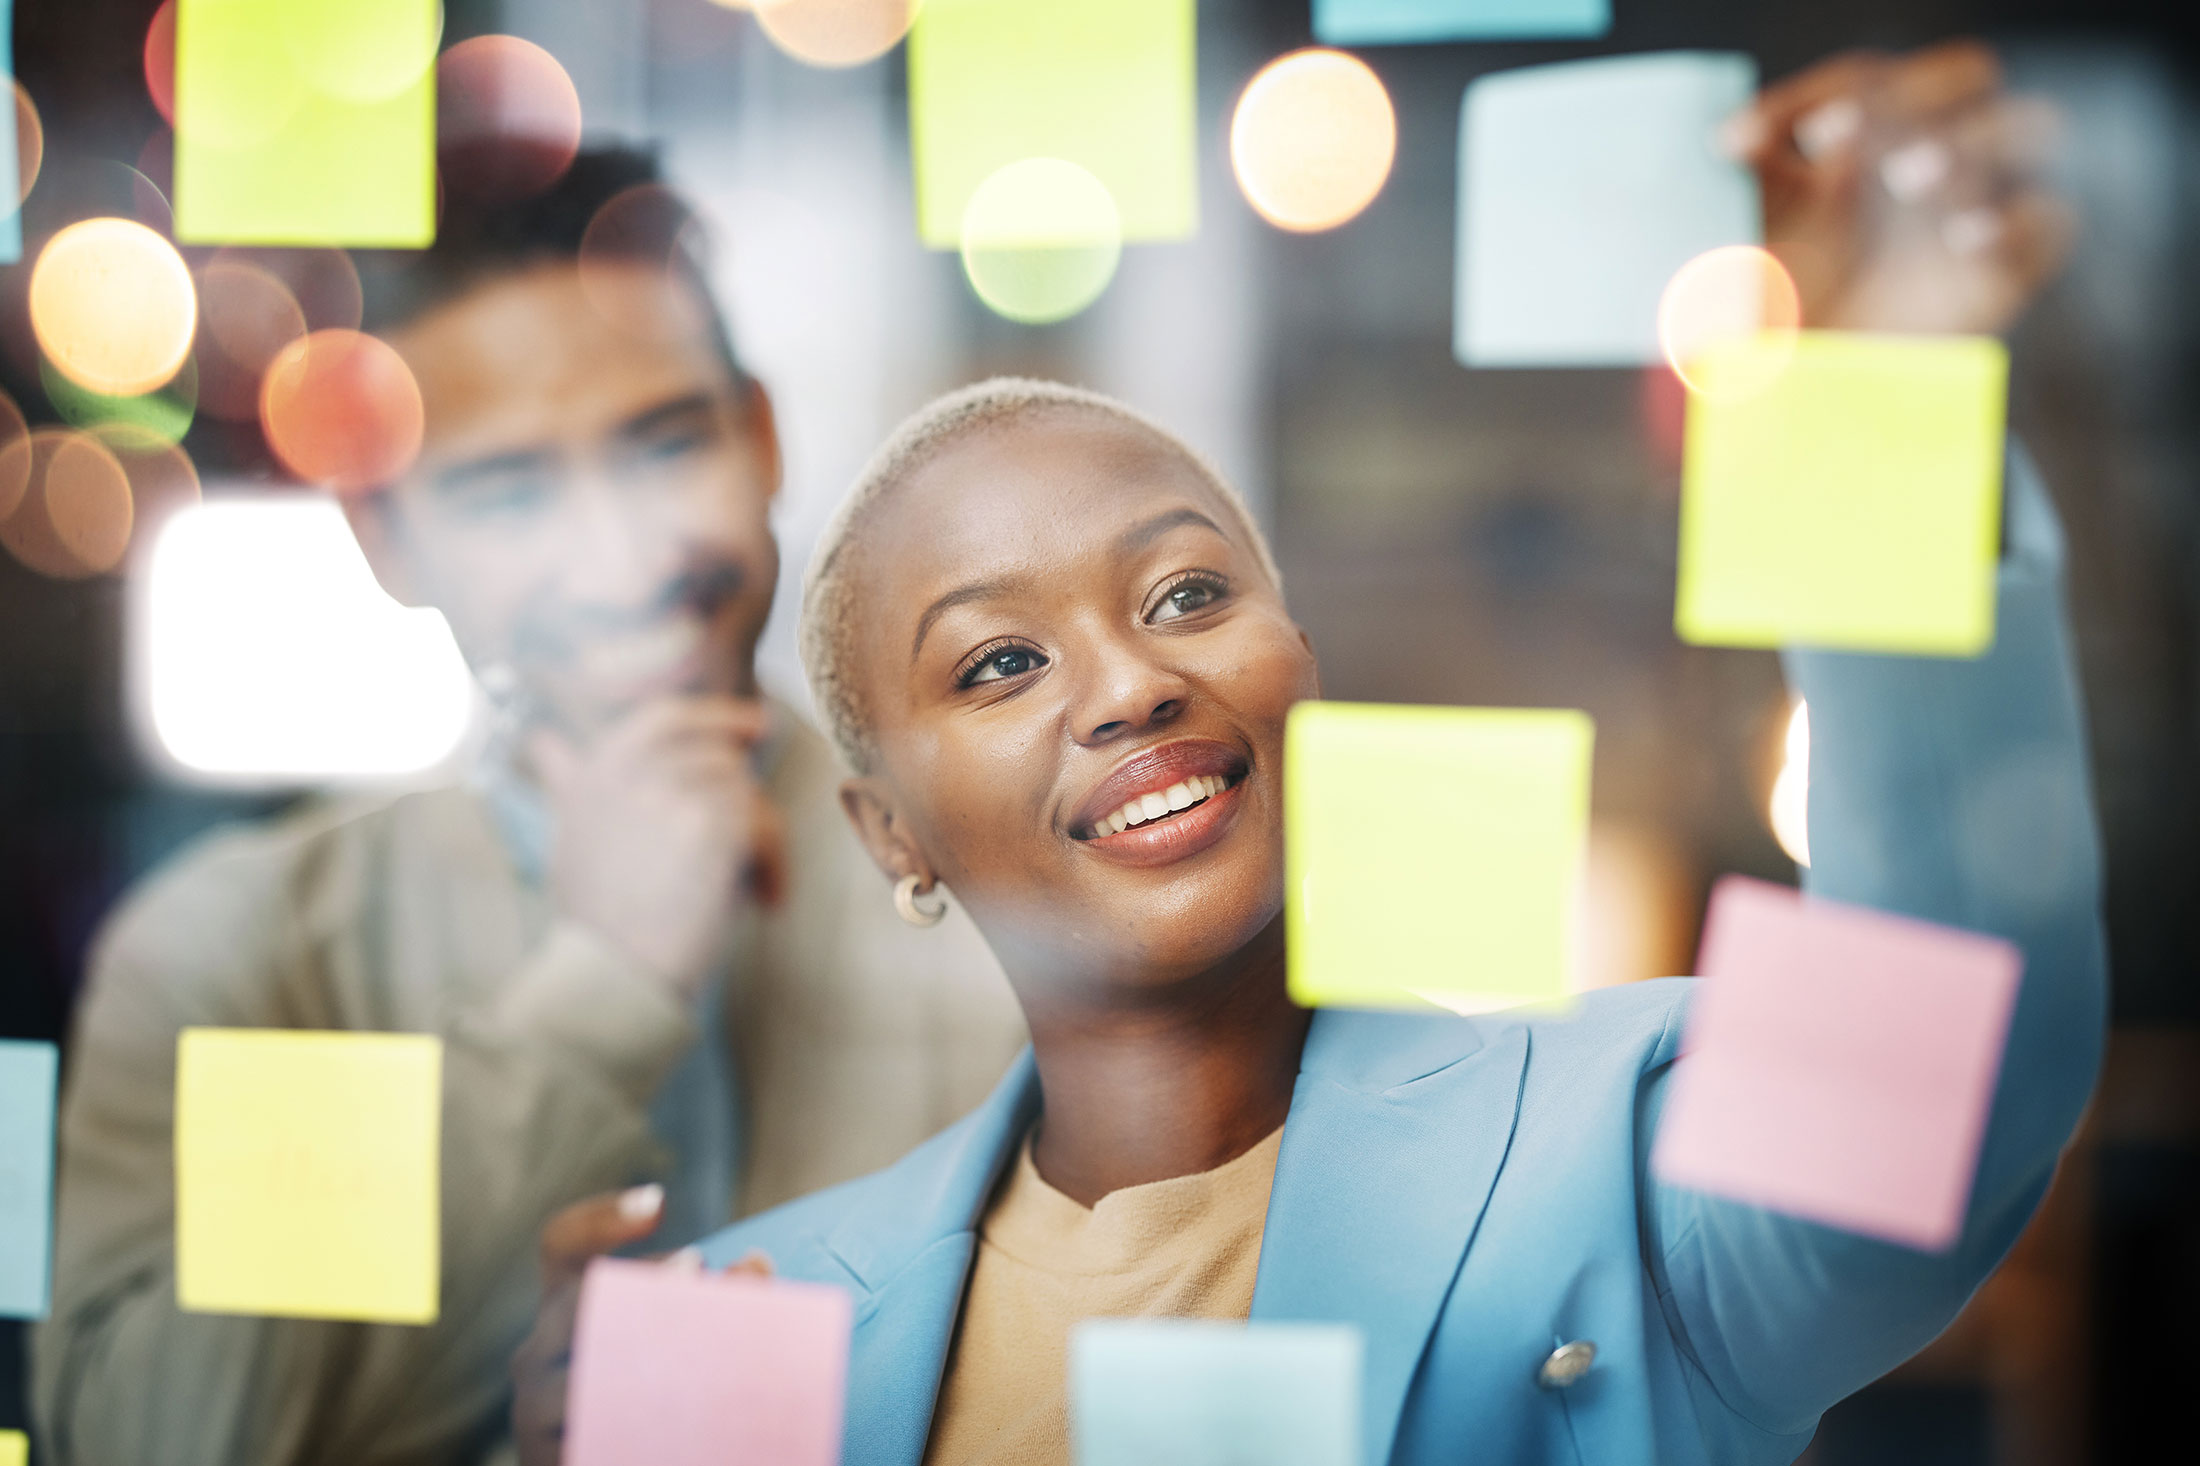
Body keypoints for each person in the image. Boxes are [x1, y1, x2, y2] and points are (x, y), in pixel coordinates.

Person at [510, 43, 2100, 1466]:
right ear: (891, 833)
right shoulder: (765, 1317)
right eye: (1001, 661)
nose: (1132, 682)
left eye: (1189, 592)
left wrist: (1878, 413)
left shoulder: (1621, 1142)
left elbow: (1943, 1068)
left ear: (1300, 666)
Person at [32, 151, 1027, 1466]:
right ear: (386, 541)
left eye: (665, 444)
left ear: (764, 440)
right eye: (510, 490)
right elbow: (148, 1442)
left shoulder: (1002, 895)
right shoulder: (262, 952)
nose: (615, 553)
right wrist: (599, 987)